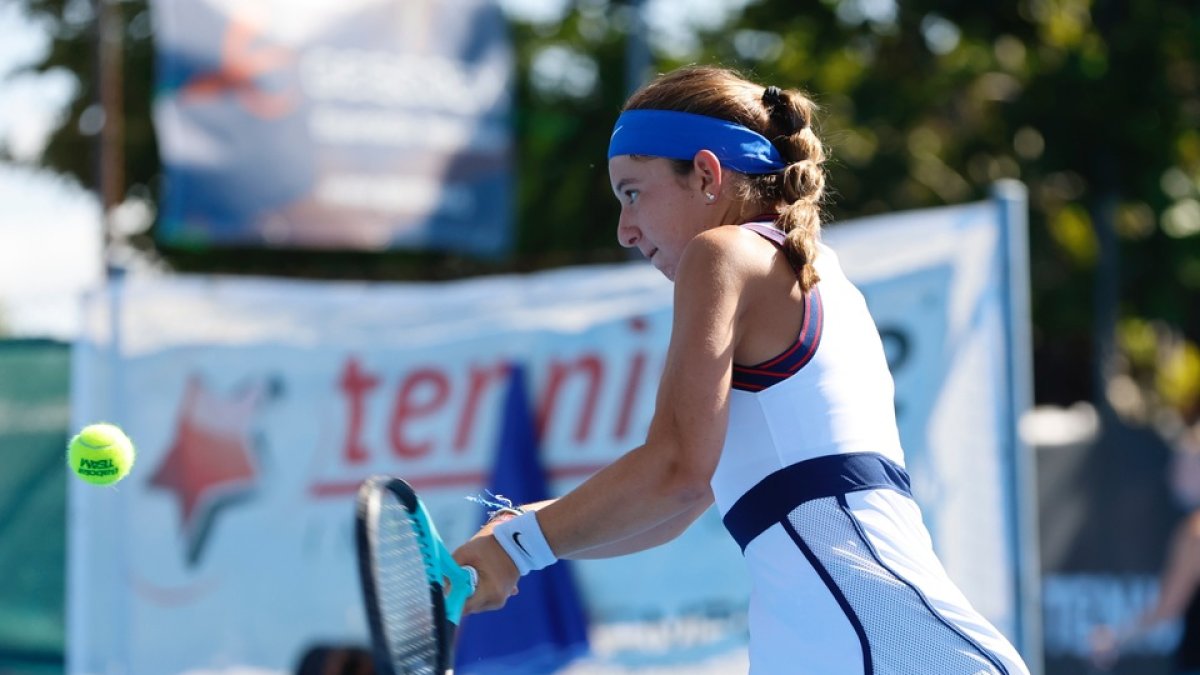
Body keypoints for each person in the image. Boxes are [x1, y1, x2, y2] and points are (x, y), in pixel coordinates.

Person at [451, 64, 1031, 674]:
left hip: (888, 651)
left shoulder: (722, 252)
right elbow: (676, 505)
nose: (625, 231)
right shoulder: (822, 280)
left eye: (632, 193)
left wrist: (517, 545)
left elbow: (674, 472)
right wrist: (523, 540)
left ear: (705, 174)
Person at [1091, 424, 1200, 673]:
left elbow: (1167, 608)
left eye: (1183, 465)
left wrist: (1116, 637)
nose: (1173, 474)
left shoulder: (1193, 531)